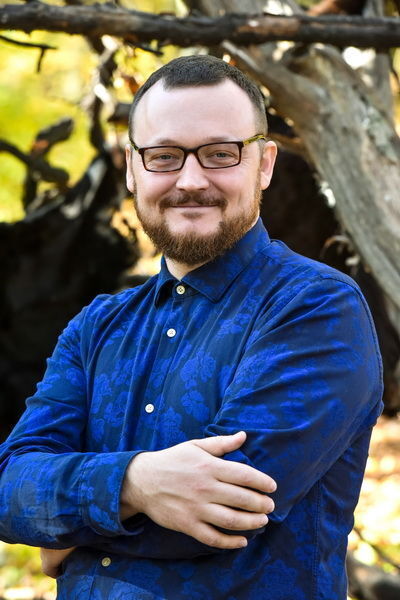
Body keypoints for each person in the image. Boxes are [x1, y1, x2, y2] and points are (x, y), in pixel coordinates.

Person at [0, 55, 383, 599]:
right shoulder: (97, 326)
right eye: (164, 156)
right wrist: (136, 484)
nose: (191, 180)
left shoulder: (315, 307)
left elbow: (229, 506)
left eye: (220, 154)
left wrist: (64, 523)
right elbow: (9, 488)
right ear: (131, 168)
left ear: (264, 164)